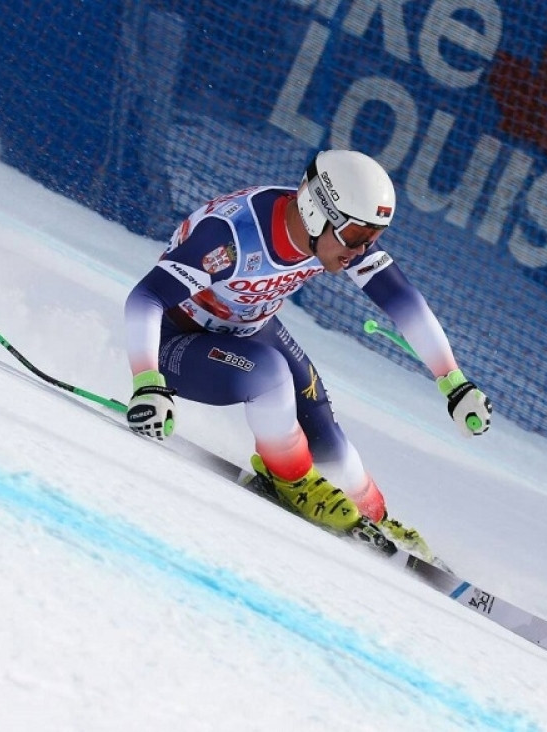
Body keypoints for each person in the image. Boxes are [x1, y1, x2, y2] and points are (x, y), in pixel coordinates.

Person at [124, 149, 492, 559]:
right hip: (175, 340)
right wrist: (147, 383)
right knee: (270, 375)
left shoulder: (335, 236)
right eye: (357, 235)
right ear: (317, 213)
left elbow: (403, 301)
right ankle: (293, 481)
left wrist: (454, 383)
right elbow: (146, 297)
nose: (361, 250)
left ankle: (373, 515)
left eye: (373, 238)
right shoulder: (231, 237)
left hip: (249, 328)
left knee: (325, 431)